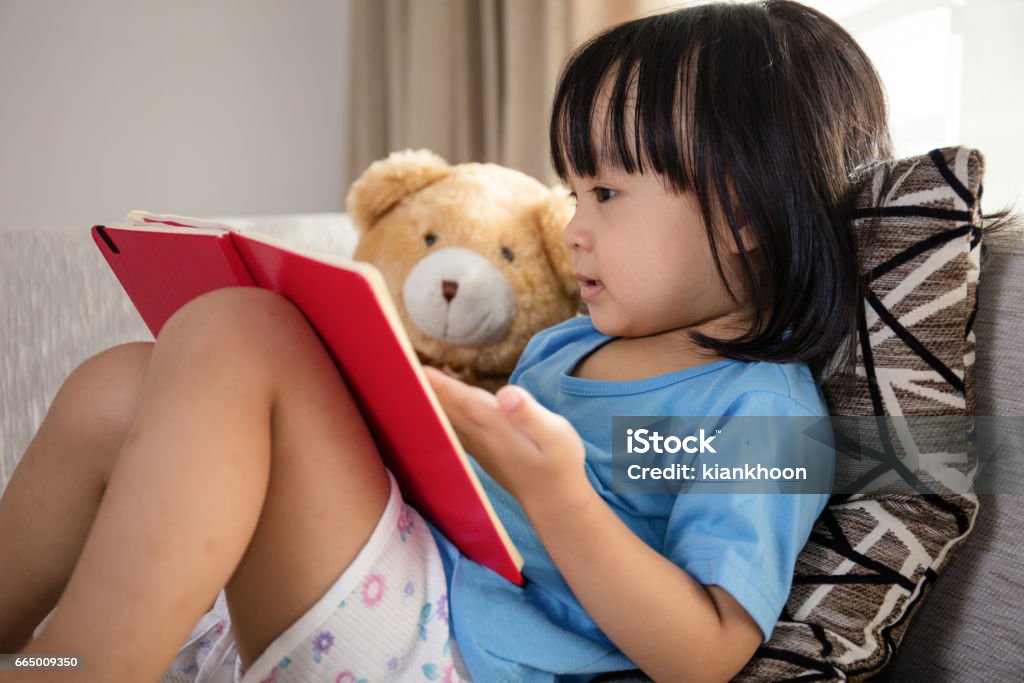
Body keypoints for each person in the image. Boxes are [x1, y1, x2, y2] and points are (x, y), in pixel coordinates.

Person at [0, 1, 892, 681]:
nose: (573, 226)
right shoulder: (565, 347)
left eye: (606, 195)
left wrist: (557, 490)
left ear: (742, 212)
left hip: (460, 651)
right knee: (123, 380)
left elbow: (708, 652)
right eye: (571, 191)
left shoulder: (758, 409)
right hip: (405, 577)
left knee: (244, 326)